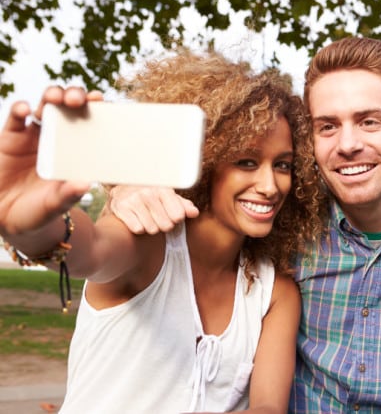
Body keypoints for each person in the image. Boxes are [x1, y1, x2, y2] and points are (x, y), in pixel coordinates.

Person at [106, 38, 381, 413]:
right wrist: (121, 189)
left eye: (368, 122)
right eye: (328, 126)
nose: (348, 144)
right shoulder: (285, 216)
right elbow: (207, 197)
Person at [0, 48, 325, 413]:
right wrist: (26, 225)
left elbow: (267, 408)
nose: (270, 185)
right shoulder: (147, 241)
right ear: (206, 163)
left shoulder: (274, 293)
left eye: (282, 165)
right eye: (246, 162)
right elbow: (87, 249)